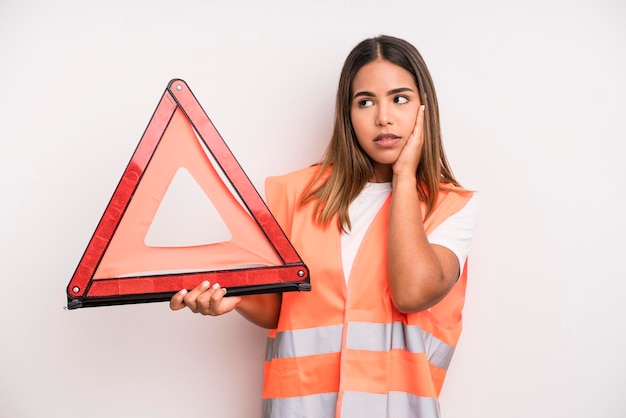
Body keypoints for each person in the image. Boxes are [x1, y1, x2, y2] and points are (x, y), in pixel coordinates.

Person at [170, 34, 478, 418]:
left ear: (423, 109)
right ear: (347, 114)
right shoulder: (292, 195)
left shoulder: (449, 206)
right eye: (365, 102)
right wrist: (235, 300)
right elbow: (283, 309)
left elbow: (411, 293)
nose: (383, 116)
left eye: (400, 98)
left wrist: (403, 176)